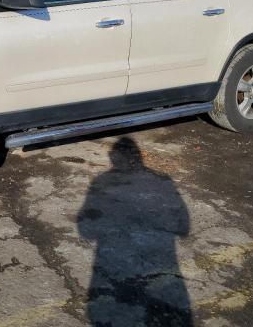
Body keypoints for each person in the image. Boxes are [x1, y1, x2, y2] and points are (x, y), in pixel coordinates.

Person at [78, 137, 193, 325]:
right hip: (160, 275)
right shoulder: (163, 181)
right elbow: (184, 226)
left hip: (115, 278)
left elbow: (86, 231)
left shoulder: (102, 180)